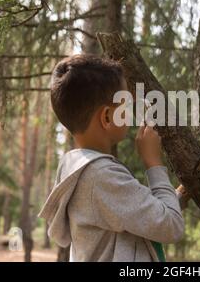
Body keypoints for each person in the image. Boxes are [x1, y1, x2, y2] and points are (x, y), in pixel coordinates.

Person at [38, 54, 187, 262]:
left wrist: (177, 196)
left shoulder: (75, 167)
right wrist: (154, 164)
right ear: (107, 117)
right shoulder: (102, 176)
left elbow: (143, 214)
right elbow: (171, 226)